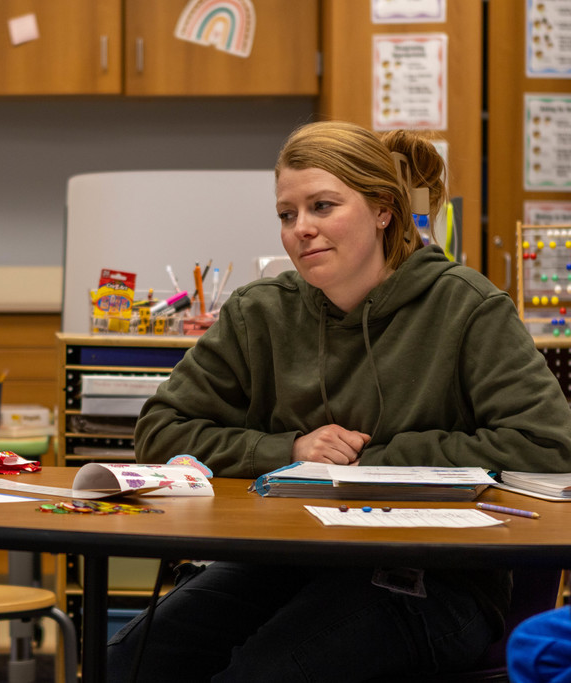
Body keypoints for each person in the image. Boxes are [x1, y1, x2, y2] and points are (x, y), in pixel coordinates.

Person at [107, 120, 571, 681]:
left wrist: (370, 466)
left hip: (431, 577)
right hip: (288, 558)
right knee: (132, 660)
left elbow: (547, 444)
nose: (302, 229)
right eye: (287, 214)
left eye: (323, 206)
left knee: (260, 674)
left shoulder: (467, 307)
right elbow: (161, 429)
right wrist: (291, 449)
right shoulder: (261, 311)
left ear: (383, 210)